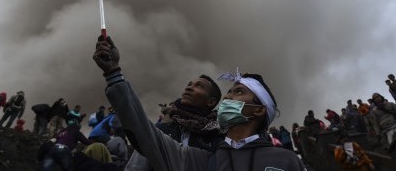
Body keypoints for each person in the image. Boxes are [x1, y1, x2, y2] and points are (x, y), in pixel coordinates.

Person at [93, 35, 307, 171]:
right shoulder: (199, 160)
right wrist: (113, 74)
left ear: (259, 110)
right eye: (229, 92)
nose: (228, 97)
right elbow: (145, 134)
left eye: (238, 91)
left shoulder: (286, 161)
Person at [125, 72, 225, 169]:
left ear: (211, 101)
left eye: (199, 86)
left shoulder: (215, 137)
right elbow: (136, 166)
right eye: (189, 84)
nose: (188, 88)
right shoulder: (161, 129)